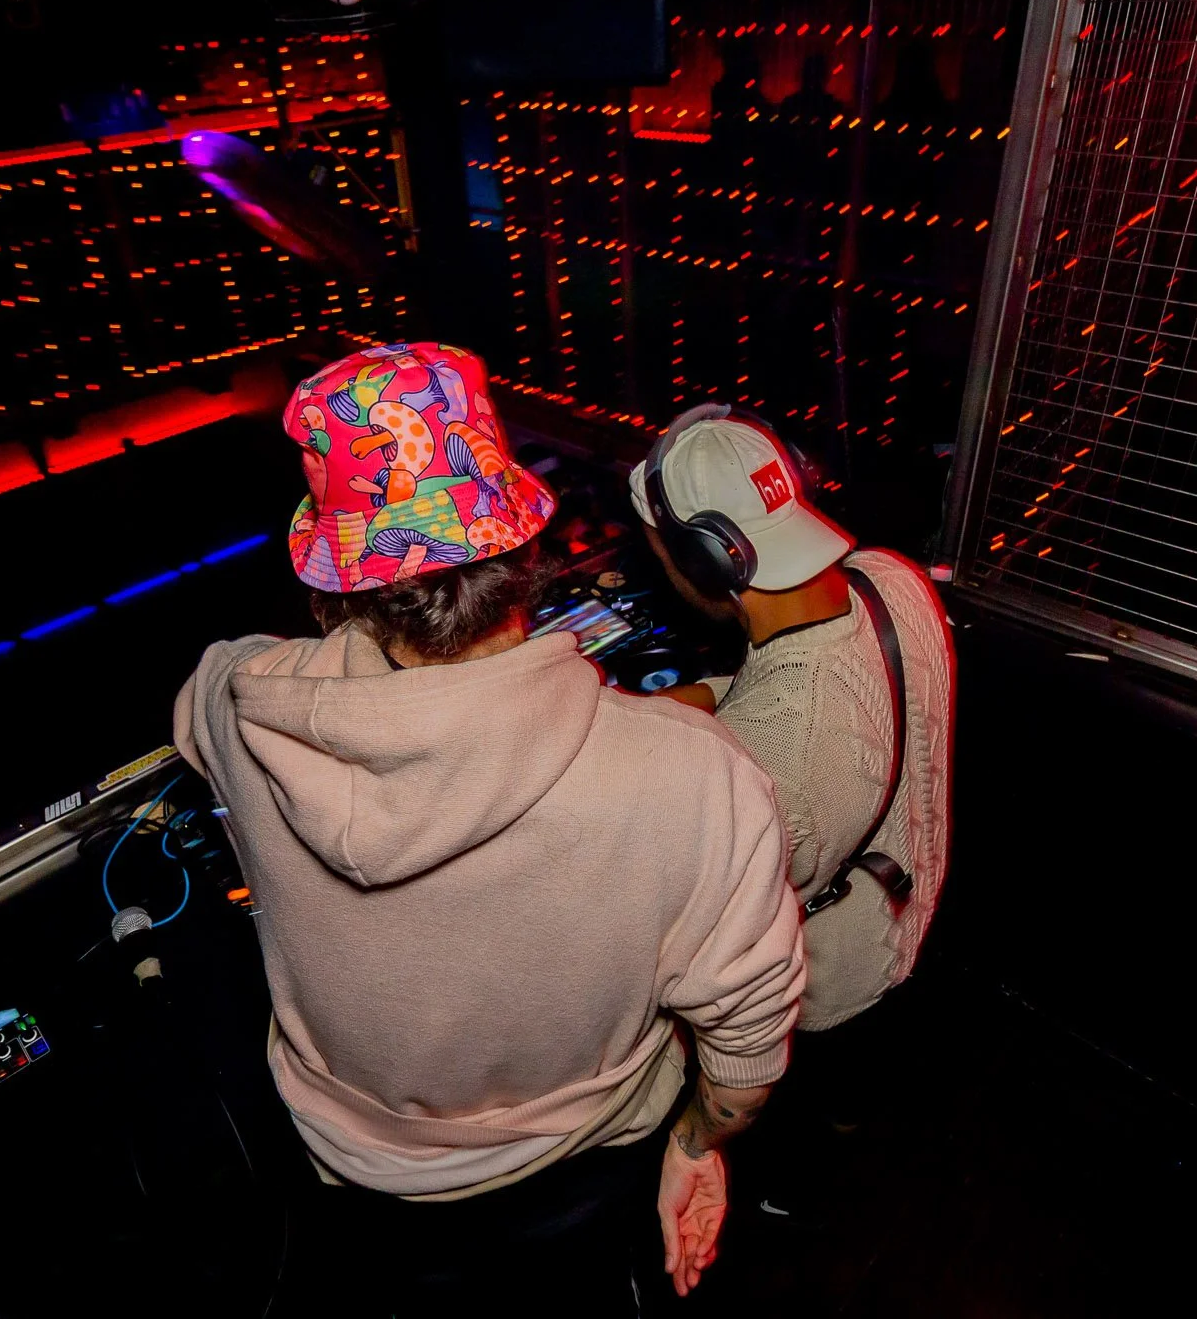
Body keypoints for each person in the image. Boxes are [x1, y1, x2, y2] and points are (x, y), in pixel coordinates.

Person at [174, 345, 805, 1314]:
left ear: (334, 585)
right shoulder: (696, 777)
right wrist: (696, 1145)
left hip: (353, 1182)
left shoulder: (236, 708)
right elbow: (747, 1042)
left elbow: (225, 673)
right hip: (588, 1172)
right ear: (525, 548)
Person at [628, 403, 955, 1212]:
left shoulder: (768, 761)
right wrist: (705, 699)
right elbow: (801, 682)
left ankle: (806, 1190)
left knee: (818, 1100)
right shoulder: (889, 575)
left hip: (835, 974)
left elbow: (725, 924)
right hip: (913, 894)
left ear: (709, 558)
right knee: (858, 1079)